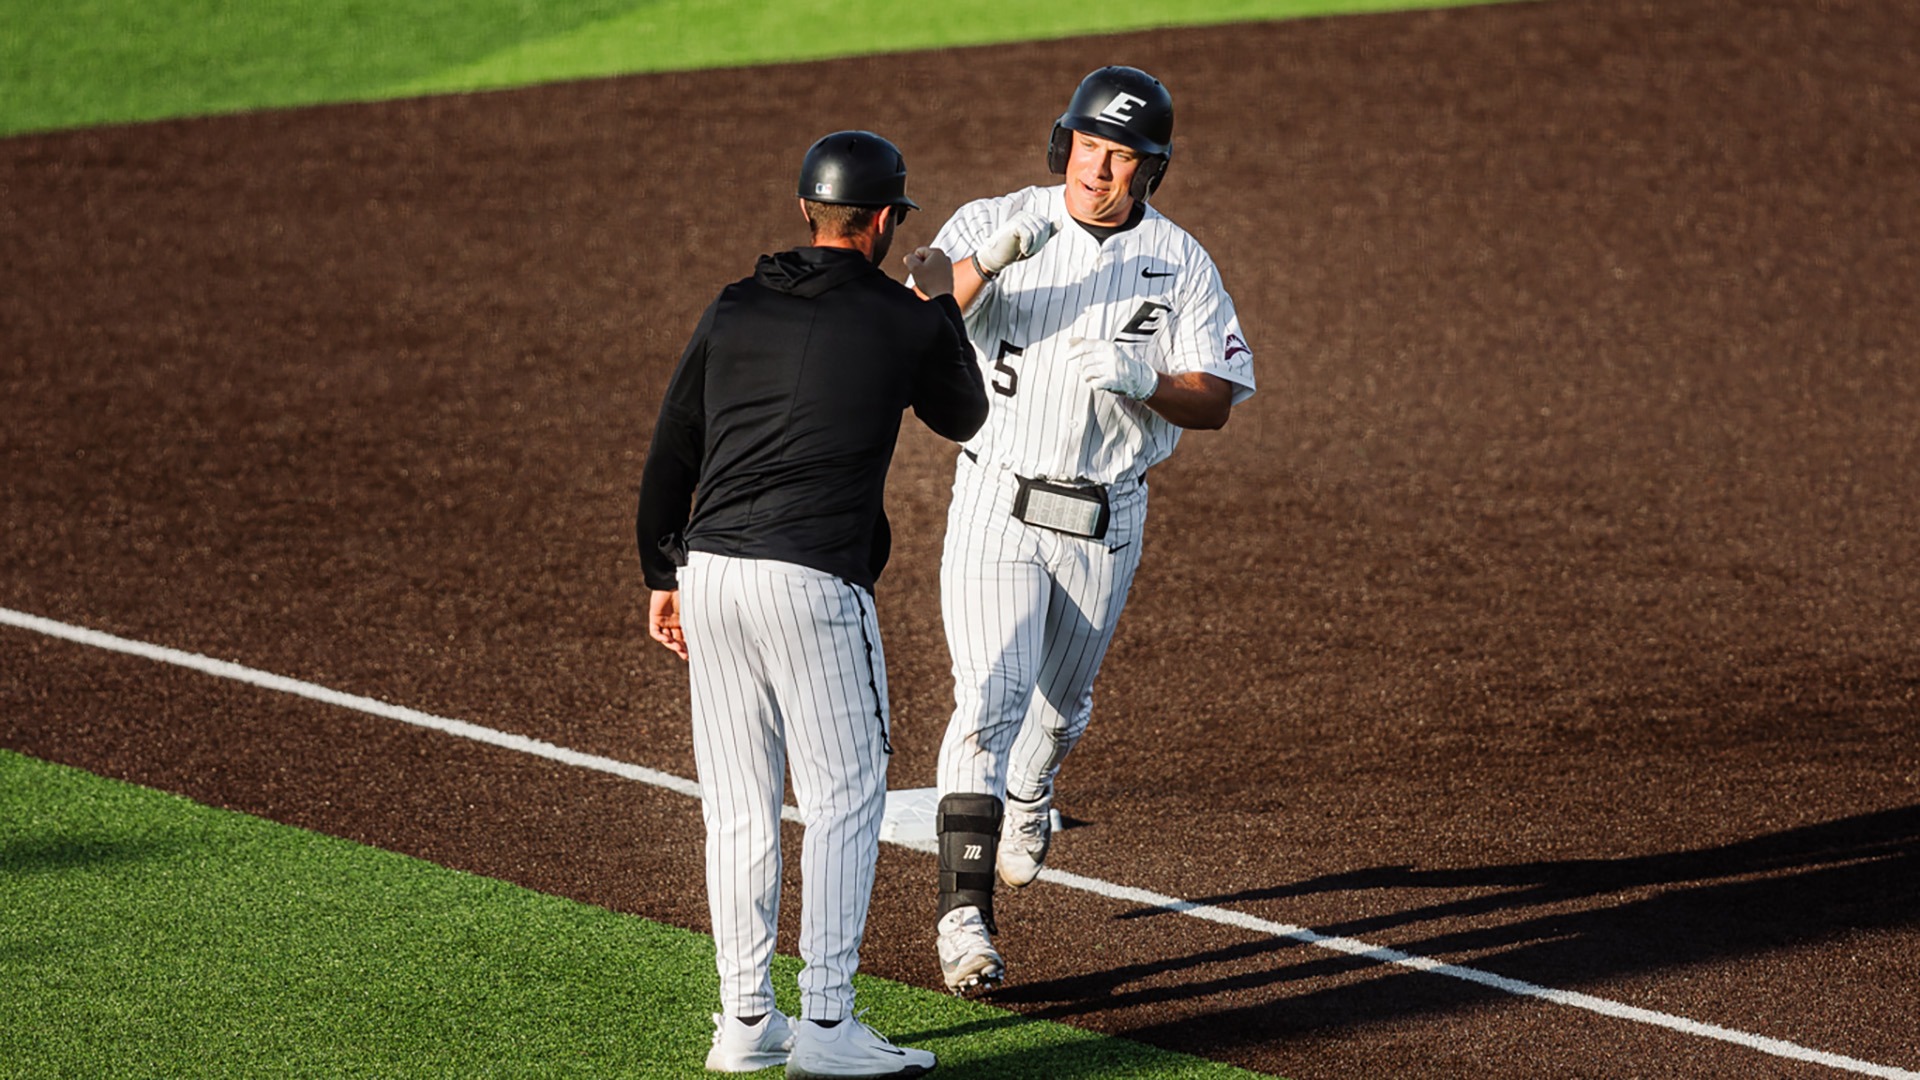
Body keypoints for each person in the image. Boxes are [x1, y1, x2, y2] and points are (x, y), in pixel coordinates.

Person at [636, 130, 987, 1077]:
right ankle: (828, 1027)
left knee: (741, 809)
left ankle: (745, 1022)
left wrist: (660, 573)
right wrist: (941, 304)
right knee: (842, 800)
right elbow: (965, 416)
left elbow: (674, 441)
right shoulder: (901, 317)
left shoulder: (736, 304)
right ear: (881, 223)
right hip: (812, 584)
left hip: (709, 572)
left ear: (807, 210)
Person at [921, 66, 1258, 995]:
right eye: (1086, 146)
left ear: (1151, 171)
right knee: (984, 703)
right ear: (1060, 141)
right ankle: (963, 915)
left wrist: (1144, 379)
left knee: (1059, 709)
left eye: (1121, 157)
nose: (1097, 169)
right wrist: (991, 261)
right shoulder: (1002, 218)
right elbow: (909, 311)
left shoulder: (1181, 262)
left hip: (1108, 511)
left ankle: (1033, 793)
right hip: (994, 498)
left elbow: (1220, 397)